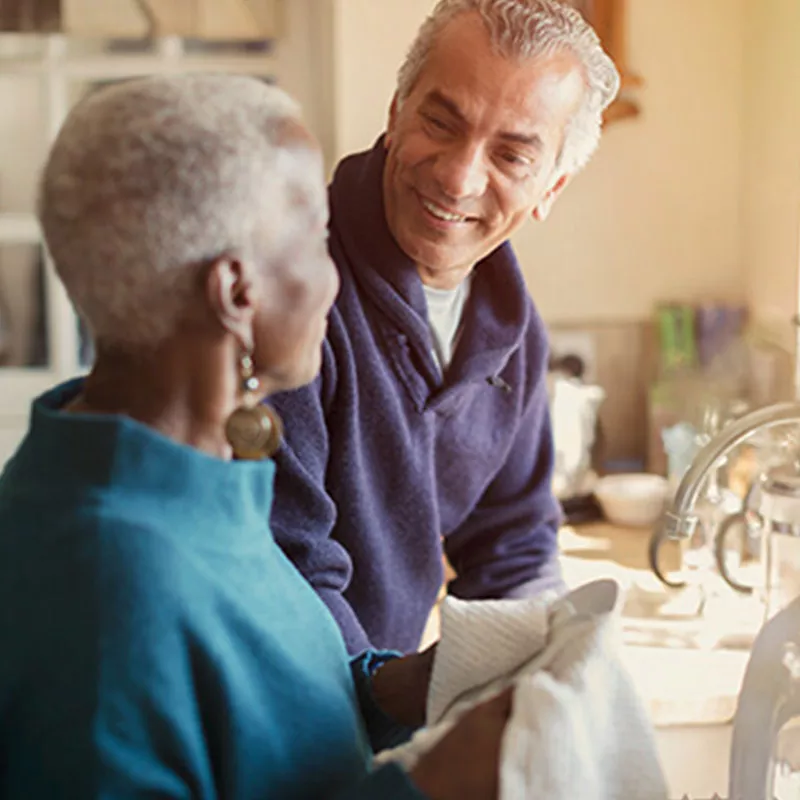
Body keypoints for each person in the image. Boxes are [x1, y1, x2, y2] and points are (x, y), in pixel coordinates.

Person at [0, 74, 512, 799]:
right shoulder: (109, 599)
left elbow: (256, 722)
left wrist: (396, 690)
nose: (334, 280)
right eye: (316, 239)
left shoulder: (197, 482)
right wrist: (426, 790)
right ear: (239, 294)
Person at [269, 0, 621, 655]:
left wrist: (532, 673)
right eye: (441, 121)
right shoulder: (289, 287)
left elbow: (513, 545)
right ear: (396, 111)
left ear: (551, 187)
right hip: (287, 713)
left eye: (512, 156)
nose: (459, 178)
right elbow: (287, 571)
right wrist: (390, 707)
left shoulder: (511, 334)